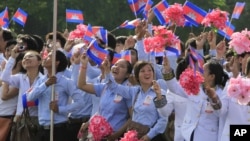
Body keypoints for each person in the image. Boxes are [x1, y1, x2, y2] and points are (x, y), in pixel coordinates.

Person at [160, 55, 229, 141]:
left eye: (203, 71)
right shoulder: (195, 86)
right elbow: (174, 88)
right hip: (188, 134)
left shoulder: (222, 93)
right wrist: (167, 70)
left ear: (212, 76)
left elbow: (220, 113)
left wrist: (214, 98)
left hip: (207, 137)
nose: (199, 72)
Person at [97, 60, 168, 141]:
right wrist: (107, 71)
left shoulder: (160, 92)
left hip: (152, 137)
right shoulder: (135, 91)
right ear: (137, 76)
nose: (147, 73)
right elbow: (114, 87)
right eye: (142, 71)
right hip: (133, 135)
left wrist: (149, 136)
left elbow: (163, 119)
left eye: (149, 70)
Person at [26, 50, 82, 141]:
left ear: (57, 62)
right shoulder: (41, 81)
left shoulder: (66, 82)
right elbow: (30, 97)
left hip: (59, 129)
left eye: (49, 56)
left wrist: (60, 109)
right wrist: (45, 85)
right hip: (42, 129)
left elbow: (80, 103)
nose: (45, 58)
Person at [78, 53, 133, 141]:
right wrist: (84, 65)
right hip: (98, 136)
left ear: (127, 75)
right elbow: (82, 85)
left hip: (115, 137)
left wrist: (116, 134)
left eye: (122, 66)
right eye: (115, 64)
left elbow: (132, 117)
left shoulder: (128, 91)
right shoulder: (105, 87)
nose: (116, 67)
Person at [1, 49, 44, 141]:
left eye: (30, 56)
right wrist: (12, 58)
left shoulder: (44, 80)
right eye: (25, 58)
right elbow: (5, 78)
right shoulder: (20, 78)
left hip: (38, 119)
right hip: (21, 119)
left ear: (39, 61)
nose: (27, 59)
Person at [0, 52, 25, 141]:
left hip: (8, 117)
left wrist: (4, 71)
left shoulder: (22, 78)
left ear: (19, 62)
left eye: (13, 58)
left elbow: (5, 95)